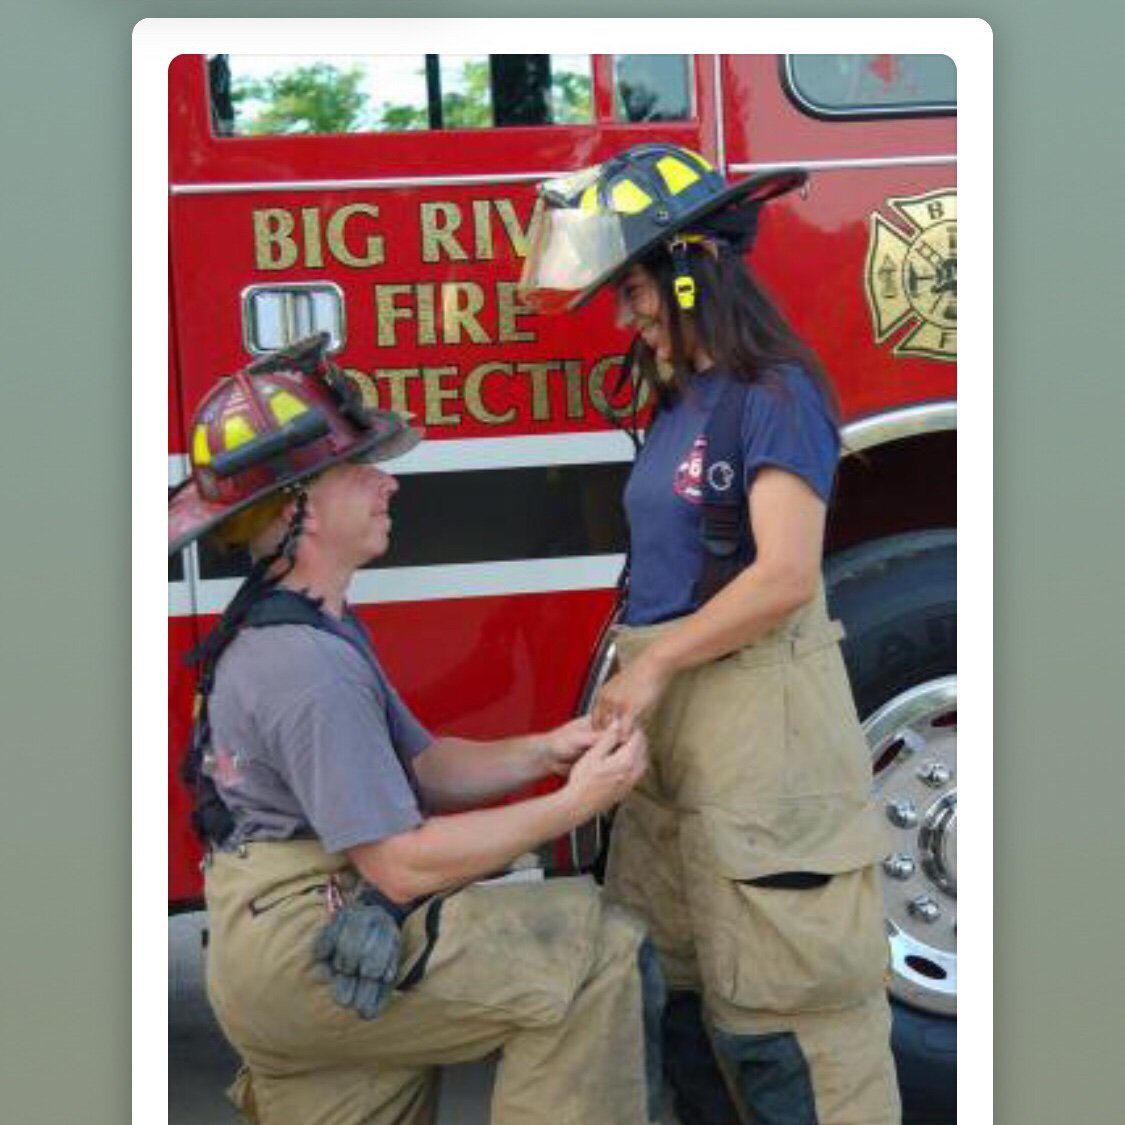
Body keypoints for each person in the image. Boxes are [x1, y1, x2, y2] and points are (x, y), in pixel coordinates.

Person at [168, 335, 663, 1125]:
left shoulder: (297, 623)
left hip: (275, 941)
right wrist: (578, 802)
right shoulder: (306, 665)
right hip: (306, 946)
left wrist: (549, 748)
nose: (388, 484)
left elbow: (425, 766)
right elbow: (399, 865)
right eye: (360, 470)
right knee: (592, 953)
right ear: (301, 506)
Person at [520, 144, 901, 1125]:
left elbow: (781, 574)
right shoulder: (685, 402)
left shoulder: (774, 395)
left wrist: (657, 671)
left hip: (758, 734)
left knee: (785, 1023)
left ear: (694, 272)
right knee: (685, 1003)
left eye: (636, 289)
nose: (623, 314)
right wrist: (635, 678)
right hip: (678, 742)